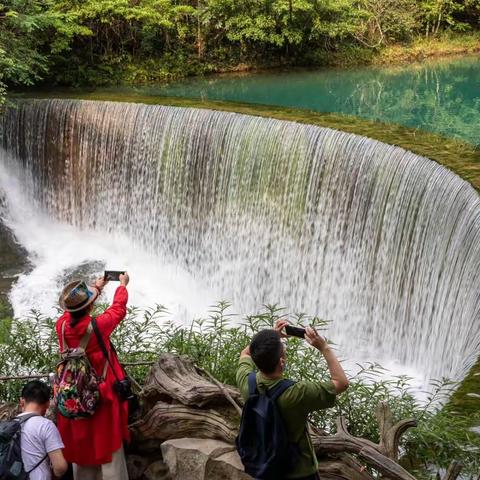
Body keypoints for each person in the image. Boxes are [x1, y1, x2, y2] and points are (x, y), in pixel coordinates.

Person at [236, 320, 349, 480]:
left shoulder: (247, 382)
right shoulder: (296, 393)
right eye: (284, 350)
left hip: (264, 465)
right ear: (281, 363)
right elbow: (342, 383)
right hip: (300, 471)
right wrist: (324, 347)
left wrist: (270, 338)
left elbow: (245, 353)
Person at [55, 273, 130, 480]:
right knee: (107, 440)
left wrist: (97, 288)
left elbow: (77, 311)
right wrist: (122, 285)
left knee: (82, 442)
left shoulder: (61, 326)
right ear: (89, 307)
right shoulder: (98, 327)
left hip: (73, 395)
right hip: (100, 394)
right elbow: (118, 309)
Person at [18, 380, 68, 480]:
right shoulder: (46, 425)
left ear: (21, 401)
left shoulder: (10, 425)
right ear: (48, 404)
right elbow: (60, 467)